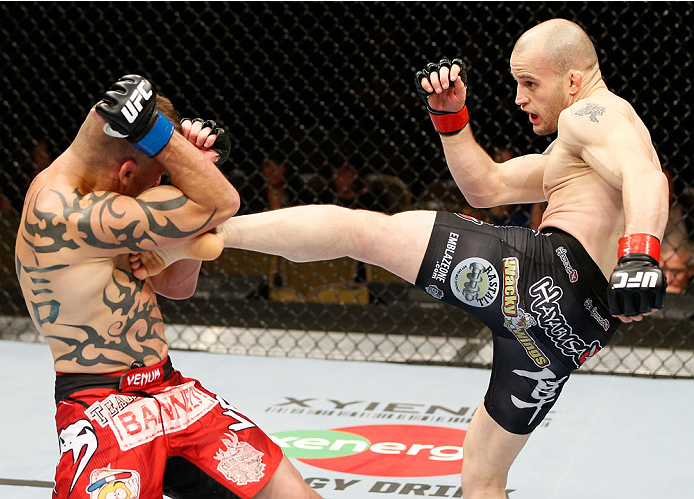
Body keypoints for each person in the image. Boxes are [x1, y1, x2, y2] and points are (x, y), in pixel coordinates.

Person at [132, 19, 669, 499]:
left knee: (361, 230)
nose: (520, 98)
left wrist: (641, 254)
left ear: (574, 81)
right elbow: (488, 186)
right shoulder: (571, 152)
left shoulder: (596, 112)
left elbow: (646, 173)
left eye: (531, 83)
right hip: (572, 331)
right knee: (482, 478)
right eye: (516, 84)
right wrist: (450, 118)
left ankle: (200, 235)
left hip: (543, 276)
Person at [14, 75, 320, 498]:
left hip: (171, 389)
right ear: (126, 172)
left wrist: (191, 164)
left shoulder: (106, 201)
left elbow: (177, 285)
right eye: (158, 178)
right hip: (102, 404)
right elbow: (221, 203)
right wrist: (169, 144)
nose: (161, 188)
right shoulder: (66, 213)